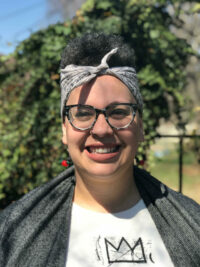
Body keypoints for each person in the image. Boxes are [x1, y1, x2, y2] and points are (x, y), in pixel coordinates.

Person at [0, 33, 200, 267]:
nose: (102, 129)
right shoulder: (11, 234)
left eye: (119, 112)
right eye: (83, 113)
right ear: (64, 129)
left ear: (141, 127)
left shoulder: (193, 225)